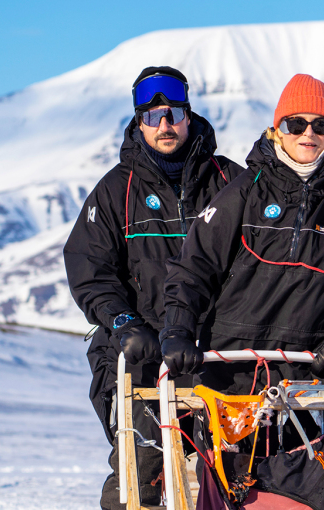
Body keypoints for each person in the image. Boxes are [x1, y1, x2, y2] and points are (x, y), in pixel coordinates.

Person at [160, 73, 324, 483]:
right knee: (231, 487)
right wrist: (178, 330)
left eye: (321, 124)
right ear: (278, 128)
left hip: (320, 371)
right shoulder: (244, 191)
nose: (308, 134)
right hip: (236, 370)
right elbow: (194, 267)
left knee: (321, 488)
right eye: (296, 124)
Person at [63, 66, 244, 510]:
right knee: (139, 474)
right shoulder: (114, 192)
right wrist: (122, 322)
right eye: (152, 116)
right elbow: (89, 268)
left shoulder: (232, 183)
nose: (164, 124)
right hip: (141, 358)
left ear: (188, 115)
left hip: (218, 357)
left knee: (230, 476)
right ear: (138, 122)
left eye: (173, 113)